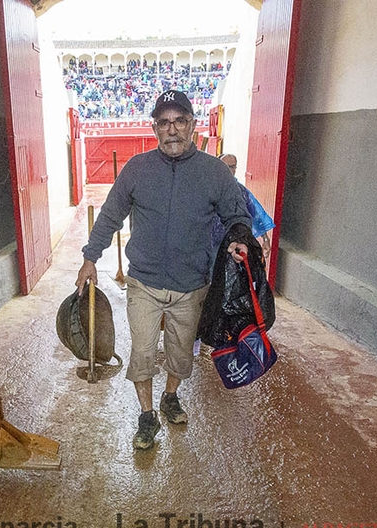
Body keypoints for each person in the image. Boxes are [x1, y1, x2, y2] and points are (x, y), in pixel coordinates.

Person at [76, 90, 254, 451]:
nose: (172, 129)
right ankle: (146, 414)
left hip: (191, 285)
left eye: (179, 121)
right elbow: (110, 215)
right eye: (164, 122)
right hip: (144, 281)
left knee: (180, 354)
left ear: (192, 124)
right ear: (155, 127)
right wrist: (90, 257)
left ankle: (170, 396)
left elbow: (237, 216)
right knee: (142, 351)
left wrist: (240, 240)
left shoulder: (214, 172)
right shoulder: (137, 169)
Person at [218, 153, 275, 259]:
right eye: (225, 166)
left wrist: (265, 238)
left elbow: (255, 213)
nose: (229, 170)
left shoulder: (242, 192)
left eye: (232, 166)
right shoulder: (210, 189)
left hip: (234, 242)